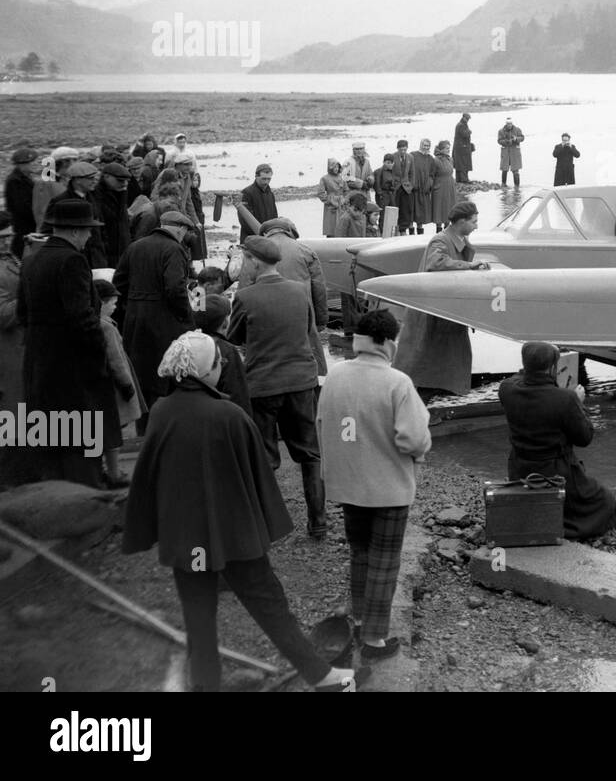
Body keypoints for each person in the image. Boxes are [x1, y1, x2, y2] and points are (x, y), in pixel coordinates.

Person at [122, 332, 358, 692]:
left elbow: (151, 473)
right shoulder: (229, 414)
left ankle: (205, 686)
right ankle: (321, 677)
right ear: (205, 370)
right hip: (233, 537)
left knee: (198, 621)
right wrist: (266, 526)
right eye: (219, 361)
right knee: (271, 607)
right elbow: (256, 476)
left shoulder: (161, 411)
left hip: (186, 541)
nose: (222, 366)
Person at [317, 309, 431, 661]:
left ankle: (361, 618)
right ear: (387, 342)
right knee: (384, 562)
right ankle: (374, 641)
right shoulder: (397, 382)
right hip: (388, 489)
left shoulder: (333, 376)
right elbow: (413, 440)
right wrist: (420, 450)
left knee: (360, 555)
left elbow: (322, 424)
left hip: (348, 485)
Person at [228, 235, 327, 538]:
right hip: (301, 381)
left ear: (255, 261)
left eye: (246, 259)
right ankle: (318, 523)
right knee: (310, 454)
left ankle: (269, 525)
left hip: (263, 385)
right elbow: (309, 331)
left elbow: (234, 337)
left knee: (266, 456)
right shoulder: (300, 292)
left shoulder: (245, 297)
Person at [14, 198, 115, 487]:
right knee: (81, 448)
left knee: (50, 441)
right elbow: (82, 319)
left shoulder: (32, 259)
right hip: (72, 368)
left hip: (38, 363)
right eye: (87, 231)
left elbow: (23, 313)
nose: (89, 236)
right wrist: (99, 356)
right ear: (74, 231)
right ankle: (87, 506)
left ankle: (53, 503)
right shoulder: (72, 260)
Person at [498, 341, 616, 540]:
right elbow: (584, 438)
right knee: (605, 501)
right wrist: (578, 403)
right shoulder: (565, 399)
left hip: (519, 470)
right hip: (556, 473)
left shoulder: (506, 389)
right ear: (552, 367)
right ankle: (558, 526)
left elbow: (521, 380)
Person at [394, 201, 488, 396]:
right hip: (432, 312)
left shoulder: (456, 240)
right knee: (424, 359)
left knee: (446, 358)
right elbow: (435, 263)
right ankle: (421, 400)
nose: (476, 226)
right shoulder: (441, 240)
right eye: (474, 222)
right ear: (461, 222)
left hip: (446, 311)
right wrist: (469, 266)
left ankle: (439, 394)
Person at [113, 210, 198, 429]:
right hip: (164, 324)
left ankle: (144, 434)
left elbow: (118, 285)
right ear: (180, 229)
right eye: (186, 232)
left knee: (143, 381)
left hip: (135, 323)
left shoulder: (135, 247)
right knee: (168, 378)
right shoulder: (174, 249)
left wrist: (129, 313)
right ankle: (169, 433)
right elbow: (175, 289)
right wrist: (186, 319)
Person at [259, 217, 329, 386]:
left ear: (265, 233)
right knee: (310, 365)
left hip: (267, 319)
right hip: (302, 317)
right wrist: (320, 321)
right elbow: (319, 289)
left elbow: (244, 290)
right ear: (291, 232)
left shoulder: (255, 253)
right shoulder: (305, 251)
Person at [93, 278, 140, 487]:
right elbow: (116, 360)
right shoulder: (107, 328)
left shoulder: (96, 324)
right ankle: (114, 471)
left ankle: (103, 470)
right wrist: (127, 385)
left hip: (103, 387)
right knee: (113, 434)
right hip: (116, 389)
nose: (115, 307)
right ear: (101, 303)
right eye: (112, 303)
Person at [194, 294, 252, 416]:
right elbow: (237, 394)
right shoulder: (227, 351)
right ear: (224, 322)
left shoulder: (187, 344)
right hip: (222, 418)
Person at [0, 216, 25, 484]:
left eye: (10, 234)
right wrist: (30, 294)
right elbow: (4, 315)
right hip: (7, 353)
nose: (8, 240)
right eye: (2, 237)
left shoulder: (10, 259)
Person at [94, 161, 132, 268]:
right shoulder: (96, 197)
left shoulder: (121, 193)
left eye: (126, 181)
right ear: (106, 177)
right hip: (106, 254)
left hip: (122, 252)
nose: (124, 184)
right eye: (120, 181)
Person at [5, 146, 41, 258]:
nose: (35, 164)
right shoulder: (15, 181)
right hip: (24, 227)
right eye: (31, 162)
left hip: (29, 226)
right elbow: (22, 207)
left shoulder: (26, 178)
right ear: (21, 164)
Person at [237, 163, 277, 243]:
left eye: (269, 179)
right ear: (256, 177)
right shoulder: (246, 193)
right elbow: (244, 221)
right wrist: (260, 234)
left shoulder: (270, 194)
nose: (266, 182)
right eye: (263, 179)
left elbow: (275, 217)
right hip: (251, 240)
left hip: (268, 239)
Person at [318, 159, 348, 236]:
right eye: (334, 167)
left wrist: (344, 199)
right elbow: (321, 193)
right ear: (330, 168)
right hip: (330, 207)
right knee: (331, 228)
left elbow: (346, 191)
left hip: (341, 205)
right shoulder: (324, 178)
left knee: (342, 227)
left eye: (337, 167)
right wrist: (330, 200)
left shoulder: (341, 178)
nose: (336, 169)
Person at [411, 139, 435, 235]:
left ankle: (420, 234)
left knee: (422, 213)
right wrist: (412, 184)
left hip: (424, 189)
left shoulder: (431, 159)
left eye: (428, 146)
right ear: (420, 145)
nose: (426, 147)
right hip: (414, 189)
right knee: (412, 211)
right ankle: (411, 233)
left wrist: (429, 184)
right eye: (424, 145)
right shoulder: (413, 155)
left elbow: (432, 174)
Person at [430, 141, 456, 230]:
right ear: (441, 149)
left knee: (449, 206)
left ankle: (447, 227)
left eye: (449, 148)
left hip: (450, 185)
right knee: (439, 208)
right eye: (447, 148)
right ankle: (438, 229)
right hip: (439, 186)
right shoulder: (435, 160)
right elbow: (431, 175)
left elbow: (451, 171)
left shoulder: (450, 159)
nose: (449, 150)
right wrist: (433, 186)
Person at [392, 141, 415, 234]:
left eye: (405, 149)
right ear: (397, 148)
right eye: (401, 149)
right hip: (396, 187)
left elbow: (412, 173)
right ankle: (395, 229)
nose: (403, 151)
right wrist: (393, 184)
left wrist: (411, 185)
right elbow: (390, 171)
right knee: (395, 207)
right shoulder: (393, 156)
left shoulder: (410, 157)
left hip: (406, 187)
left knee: (406, 209)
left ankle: (403, 229)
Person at [497, 117, 524, 188]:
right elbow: (499, 141)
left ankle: (517, 187)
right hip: (505, 153)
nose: (509, 125)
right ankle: (503, 184)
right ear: (506, 124)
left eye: (510, 124)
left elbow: (522, 138)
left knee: (516, 171)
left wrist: (516, 139)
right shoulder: (501, 131)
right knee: (504, 170)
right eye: (508, 124)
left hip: (515, 153)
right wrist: (506, 142)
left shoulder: (518, 130)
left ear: (512, 123)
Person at [453, 113, 474, 184]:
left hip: (459, 147)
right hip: (462, 148)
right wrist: (470, 131)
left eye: (468, 119)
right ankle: (464, 180)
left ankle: (459, 180)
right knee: (463, 164)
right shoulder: (461, 125)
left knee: (459, 164)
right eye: (467, 118)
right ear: (463, 117)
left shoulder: (460, 124)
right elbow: (465, 134)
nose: (467, 120)